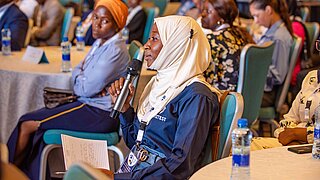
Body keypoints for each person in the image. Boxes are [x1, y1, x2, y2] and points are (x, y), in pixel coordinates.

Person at [7, 0, 129, 179]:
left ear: (118, 25)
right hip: (89, 105)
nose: (96, 24)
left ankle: (9, 173)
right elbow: (79, 68)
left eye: (105, 21)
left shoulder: (115, 50)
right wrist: (82, 75)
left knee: (27, 124)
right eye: (95, 17)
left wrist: (82, 77)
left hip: (99, 113)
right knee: (31, 122)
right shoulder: (101, 42)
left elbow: (84, 89)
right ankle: (28, 174)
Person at [108, 15, 221, 179]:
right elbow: (136, 143)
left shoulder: (196, 96)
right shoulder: (158, 84)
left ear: (176, 45)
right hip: (138, 170)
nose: (146, 45)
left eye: (154, 39)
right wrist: (125, 109)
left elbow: (179, 166)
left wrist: (118, 178)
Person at [251, 69, 319, 150]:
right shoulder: (312, 77)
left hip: (315, 147)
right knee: (244, 147)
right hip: (295, 143)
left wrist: (299, 134)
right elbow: (290, 118)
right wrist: (290, 138)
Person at [249, 0, 293, 107]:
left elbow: (278, 76)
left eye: (257, 16)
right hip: (261, 89)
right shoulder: (272, 33)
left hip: (267, 94)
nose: (256, 21)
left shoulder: (279, 38)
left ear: (268, 10)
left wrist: (254, 66)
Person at [201, 0, 252, 91]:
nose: (203, 14)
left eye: (208, 11)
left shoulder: (212, 40)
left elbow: (205, 77)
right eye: (203, 10)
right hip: (242, 93)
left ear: (221, 18)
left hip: (223, 95)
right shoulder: (241, 33)